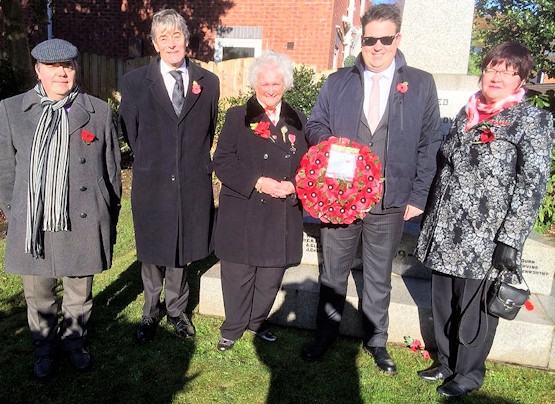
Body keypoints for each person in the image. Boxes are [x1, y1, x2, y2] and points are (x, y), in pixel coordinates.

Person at [301, 4, 441, 375]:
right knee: (333, 271)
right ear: (360, 40)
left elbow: (429, 144)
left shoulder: (421, 83)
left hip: (389, 201)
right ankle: (325, 334)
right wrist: (332, 143)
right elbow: (314, 126)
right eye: (369, 40)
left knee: (378, 274)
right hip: (340, 200)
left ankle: (376, 340)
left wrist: (417, 196)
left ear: (397, 39)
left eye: (384, 39)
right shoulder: (337, 82)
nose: (376, 47)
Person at [414, 42, 555, 398]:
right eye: (493, 68)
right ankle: (446, 361)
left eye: (509, 72)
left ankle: (469, 372)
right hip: (445, 228)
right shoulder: (467, 112)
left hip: (485, 235)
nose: (498, 76)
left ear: (521, 79)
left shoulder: (532, 120)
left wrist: (511, 239)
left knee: (475, 308)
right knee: (444, 299)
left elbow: (532, 185)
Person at [0, 38, 122, 379]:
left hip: (82, 219)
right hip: (35, 223)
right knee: (39, 295)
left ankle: (74, 343)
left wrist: (106, 212)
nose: (62, 72)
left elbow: (111, 171)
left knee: (78, 294)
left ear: (75, 69)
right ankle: (44, 349)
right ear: (38, 70)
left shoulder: (98, 111)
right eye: (53, 67)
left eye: (68, 66)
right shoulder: (12, 110)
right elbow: (3, 169)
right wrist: (19, 212)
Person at [119, 9, 220, 342]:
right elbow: (131, 133)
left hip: (192, 179)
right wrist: (155, 160)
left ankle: (176, 310)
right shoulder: (134, 83)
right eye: (164, 37)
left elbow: (206, 128)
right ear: (155, 43)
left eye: (177, 35)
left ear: (187, 40)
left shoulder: (209, 82)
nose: (172, 43)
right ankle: (150, 312)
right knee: (151, 248)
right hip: (153, 178)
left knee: (181, 248)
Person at [213, 50, 308, 351]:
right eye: (264, 83)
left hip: (281, 210)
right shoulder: (237, 117)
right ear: (254, 84)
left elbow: (309, 165)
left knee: (270, 276)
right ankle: (233, 327)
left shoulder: (299, 120)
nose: (269, 89)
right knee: (238, 273)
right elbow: (223, 160)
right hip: (245, 206)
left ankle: (256, 323)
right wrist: (258, 181)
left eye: (276, 84)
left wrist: (295, 186)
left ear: (285, 85)